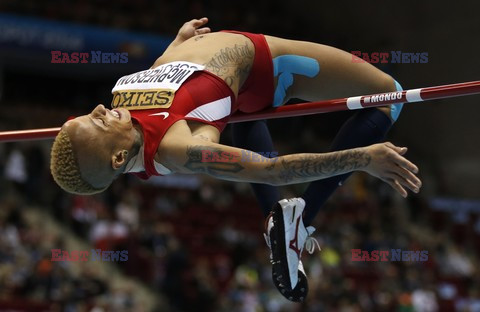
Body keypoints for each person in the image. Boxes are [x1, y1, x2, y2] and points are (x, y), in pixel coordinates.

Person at [50, 18, 422, 302]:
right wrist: (361, 158)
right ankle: (301, 218)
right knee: (392, 94)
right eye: (96, 121)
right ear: (117, 158)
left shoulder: (122, 109)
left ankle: (284, 224)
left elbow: (168, 77)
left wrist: (174, 45)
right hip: (269, 65)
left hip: (241, 95)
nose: (100, 108)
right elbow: (271, 170)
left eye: (91, 112)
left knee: (245, 113)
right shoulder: (180, 149)